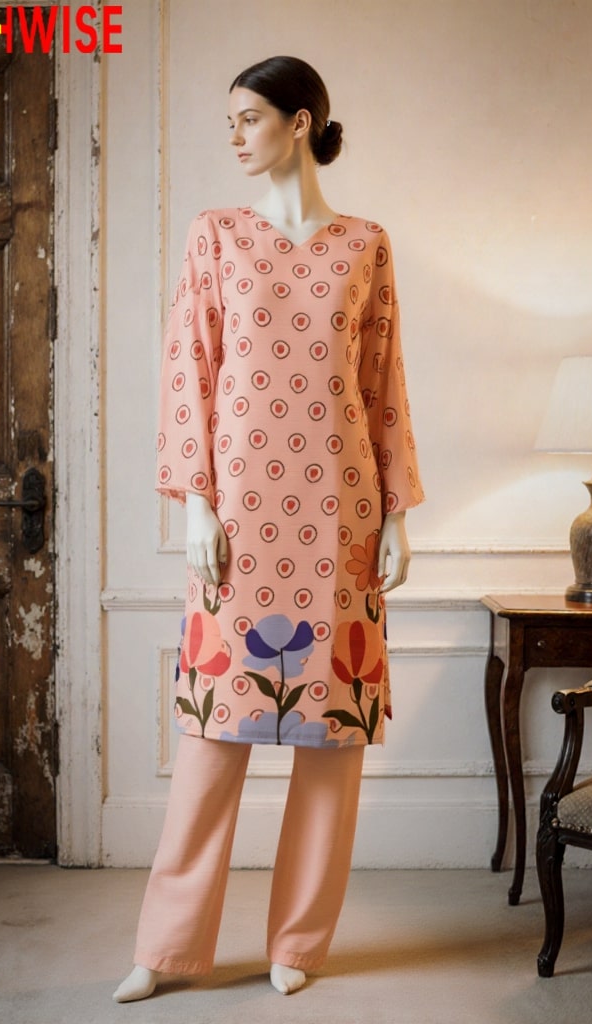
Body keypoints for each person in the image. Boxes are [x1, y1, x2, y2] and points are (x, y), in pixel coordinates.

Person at [115, 55, 424, 1003]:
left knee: (332, 751)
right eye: (227, 123)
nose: (236, 136)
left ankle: (299, 941)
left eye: (249, 118)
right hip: (239, 525)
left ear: (300, 122)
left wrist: (401, 515)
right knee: (213, 740)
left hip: (340, 519)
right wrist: (197, 504)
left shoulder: (365, 246)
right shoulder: (215, 240)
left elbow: (383, 389)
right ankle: (165, 950)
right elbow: (188, 376)